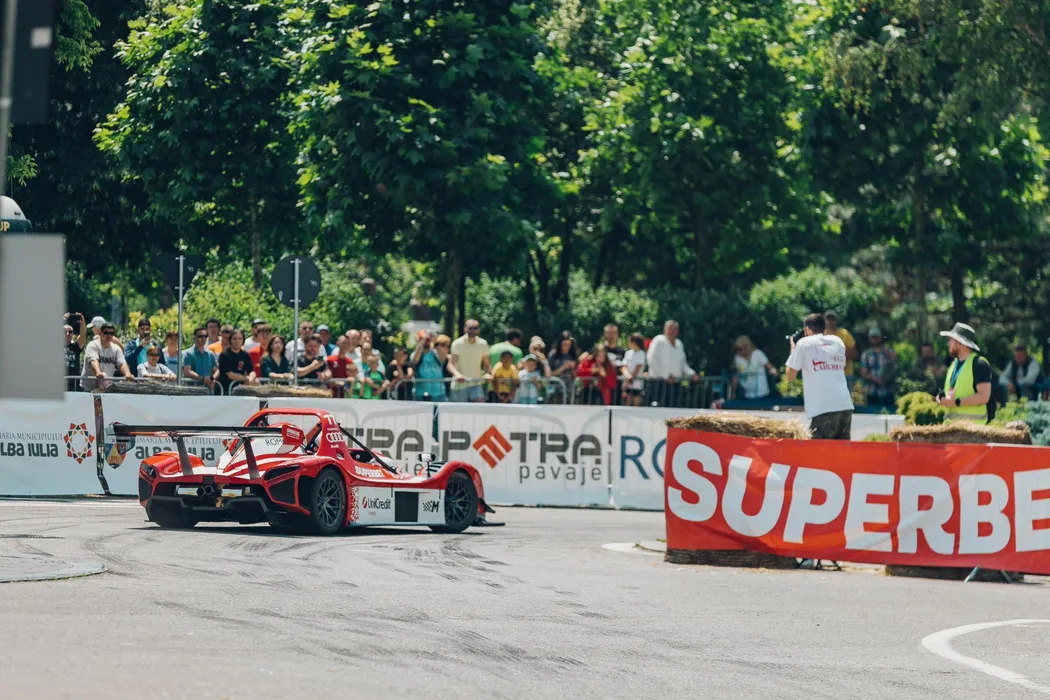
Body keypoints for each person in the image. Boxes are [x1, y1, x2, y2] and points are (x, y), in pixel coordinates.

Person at [785, 313, 854, 439]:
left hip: (824, 408)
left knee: (816, 450)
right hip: (845, 406)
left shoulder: (804, 344)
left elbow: (790, 376)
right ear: (824, 327)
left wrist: (793, 349)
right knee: (842, 450)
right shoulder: (837, 341)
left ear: (807, 329)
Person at [938, 323, 994, 422]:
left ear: (959, 342)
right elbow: (953, 391)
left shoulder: (979, 364)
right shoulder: (954, 364)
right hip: (952, 426)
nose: (949, 343)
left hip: (973, 428)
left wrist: (956, 402)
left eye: (951, 340)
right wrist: (942, 399)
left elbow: (984, 397)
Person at [646, 320, 699, 407]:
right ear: (665, 329)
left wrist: (692, 374)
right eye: (670, 328)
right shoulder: (658, 340)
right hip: (659, 383)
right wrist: (666, 375)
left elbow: (683, 364)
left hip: (675, 384)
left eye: (674, 329)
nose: (672, 331)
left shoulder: (679, 344)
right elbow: (652, 359)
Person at [81, 323, 134, 391]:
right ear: (100, 333)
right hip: (88, 388)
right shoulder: (93, 345)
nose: (109, 335)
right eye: (106, 333)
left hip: (106, 388)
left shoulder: (116, 349)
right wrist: (98, 372)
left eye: (111, 333)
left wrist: (127, 374)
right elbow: (93, 361)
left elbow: (122, 363)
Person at [449, 319, 491, 402]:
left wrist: (488, 374)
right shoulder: (457, 343)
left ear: (478, 329)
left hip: (476, 383)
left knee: (479, 406)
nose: (473, 330)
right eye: (470, 328)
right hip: (460, 385)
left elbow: (487, 364)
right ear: (465, 329)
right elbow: (450, 364)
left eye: (475, 328)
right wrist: (457, 375)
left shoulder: (483, 343)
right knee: (461, 409)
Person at [859, 328, 898, 407]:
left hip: (888, 391)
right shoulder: (866, 354)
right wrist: (875, 379)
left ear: (880, 337)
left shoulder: (889, 352)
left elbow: (894, 368)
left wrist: (885, 379)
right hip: (872, 391)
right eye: (872, 337)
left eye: (876, 337)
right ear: (869, 338)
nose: (875, 339)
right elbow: (863, 372)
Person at [731, 335, 777, 400]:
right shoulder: (738, 358)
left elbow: (770, 367)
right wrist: (733, 392)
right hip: (747, 395)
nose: (738, 352)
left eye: (740, 349)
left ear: (747, 346)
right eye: (737, 349)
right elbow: (737, 375)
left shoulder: (758, 354)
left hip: (762, 394)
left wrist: (774, 373)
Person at [412, 331, 451, 401]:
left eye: (428, 340)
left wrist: (436, 342)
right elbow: (415, 361)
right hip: (421, 393)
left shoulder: (436, 352)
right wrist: (422, 343)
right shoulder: (415, 354)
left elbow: (443, 360)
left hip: (439, 393)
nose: (426, 341)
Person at [218, 329, 257, 394]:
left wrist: (251, 378)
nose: (237, 341)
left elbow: (251, 370)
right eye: (234, 339)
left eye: (240, 338)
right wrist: (245, 378)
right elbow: (230, 375)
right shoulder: (224, 355)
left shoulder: (245, 355)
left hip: (241, 390)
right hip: (227, 390)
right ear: (230, 340)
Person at [182, 327, 219, 391]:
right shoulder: (188, 353)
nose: (203, 338)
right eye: (200, 336)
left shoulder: (210, 354)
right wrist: (203, 378)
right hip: (192, 390)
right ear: (194, 338)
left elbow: (216, 370)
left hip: (208, 390)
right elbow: (187, 371)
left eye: (205, 336)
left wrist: (212, 379)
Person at [824, 310, 858, 378]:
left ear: (836, 321)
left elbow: (854, 354)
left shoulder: (844, 334)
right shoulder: (821, 336)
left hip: (846, 374)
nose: (830, 322)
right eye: (828, 319)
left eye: (833, 319)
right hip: (828, 374)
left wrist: (835, 353)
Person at [547, 331, 578, 404]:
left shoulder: (573, 355)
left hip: (569, 391)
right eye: (564, 344)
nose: (567, 347)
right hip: (555, 391)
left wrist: (572, 368)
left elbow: (576, 376)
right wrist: (563, 368)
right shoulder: (553, 355)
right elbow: (549, 374)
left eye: (569, 345)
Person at [621, 333, 646, 406]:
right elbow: (624, 366)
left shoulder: (641, 353)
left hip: (636, 384)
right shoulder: (628, 353)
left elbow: (638, 367)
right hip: (627, 383)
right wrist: (627, 376)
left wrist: (631, 378)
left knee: (636, 403)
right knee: (627, 403)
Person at [64, 312, 87, 391]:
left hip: (74, 385)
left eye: (70, 332)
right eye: (64, 332)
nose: (68, 334)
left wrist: (82, 321)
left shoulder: (75, 347)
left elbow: (83, 335)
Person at [327, 334, 354, 398]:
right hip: (330, 395)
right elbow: (327, 378)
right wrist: (338, 383)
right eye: (343, 343)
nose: (345, 345)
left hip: (344, 396)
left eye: (347, 343)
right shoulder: (329, 360)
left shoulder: (350, 362)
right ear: (338, 343)